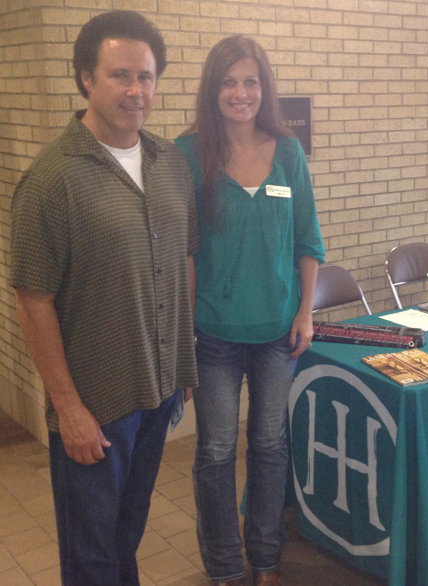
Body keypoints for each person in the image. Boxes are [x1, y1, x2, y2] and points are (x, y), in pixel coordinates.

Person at [10, 10, 198, 586]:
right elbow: (33, 299)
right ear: (86, 79)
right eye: (119, 75)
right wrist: (68, 409)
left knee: (129, 528)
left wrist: (181, 361)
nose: (135, 90)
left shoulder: (170, 164)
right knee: (90, 550)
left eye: (145, 76)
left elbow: (180, 263)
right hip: (96, 403)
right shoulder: (52, 179)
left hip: (157, 389)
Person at [175, 35, 325, 586]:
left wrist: (305, 312)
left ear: (265, 89)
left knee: (268, 446)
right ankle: (223, 567)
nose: (241, 93)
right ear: (213, 90)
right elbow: (181, 253)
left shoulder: (289, 153)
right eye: (229, 82)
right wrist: (179, 340)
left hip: (277, 334)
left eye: (251, 82)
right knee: (215, 453)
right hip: (212, 334)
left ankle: (265, 561)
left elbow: (309, 242)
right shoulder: (187, 155)